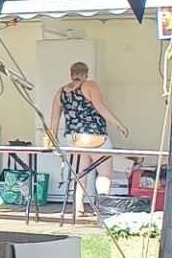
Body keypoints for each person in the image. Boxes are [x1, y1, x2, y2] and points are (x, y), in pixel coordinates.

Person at [49, 61, 130, 215]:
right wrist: (119, 124)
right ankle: (103, 207)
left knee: (80, 174)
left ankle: (78, 207)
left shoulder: (60, 92)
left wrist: (54, 138)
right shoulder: (90, 85)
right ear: (86, 74)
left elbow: (54, 118)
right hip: (95, 136)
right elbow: (100, 107)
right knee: (104, 173)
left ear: (71, 75)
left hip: (74, 138)